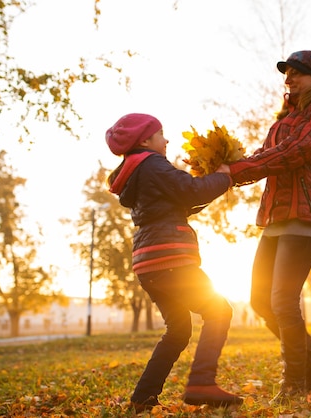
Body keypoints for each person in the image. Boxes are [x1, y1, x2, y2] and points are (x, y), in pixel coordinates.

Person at [217, 50, 311, 403]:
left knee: (282, 299)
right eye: (287, 73)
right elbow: (264, 156)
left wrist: (236, 172)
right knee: (260, 299)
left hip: (306, 216)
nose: (289, 79)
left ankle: (294, 381)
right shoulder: (283, 118)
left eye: (297, 74)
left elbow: (294, 152)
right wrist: (224, 169)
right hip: (276, 218)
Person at [105, 113, 243, 412]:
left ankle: (143, 397)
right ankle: (202, 382)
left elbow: (183, 202)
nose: (166, 140)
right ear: (145, 140)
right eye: (161, 134)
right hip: (170, 257)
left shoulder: (137, 173)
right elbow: (191, 190)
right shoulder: (152, 163)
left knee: (178, 330)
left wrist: (217, 182)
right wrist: (224, 174)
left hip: (147, 262)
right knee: (219, 311)